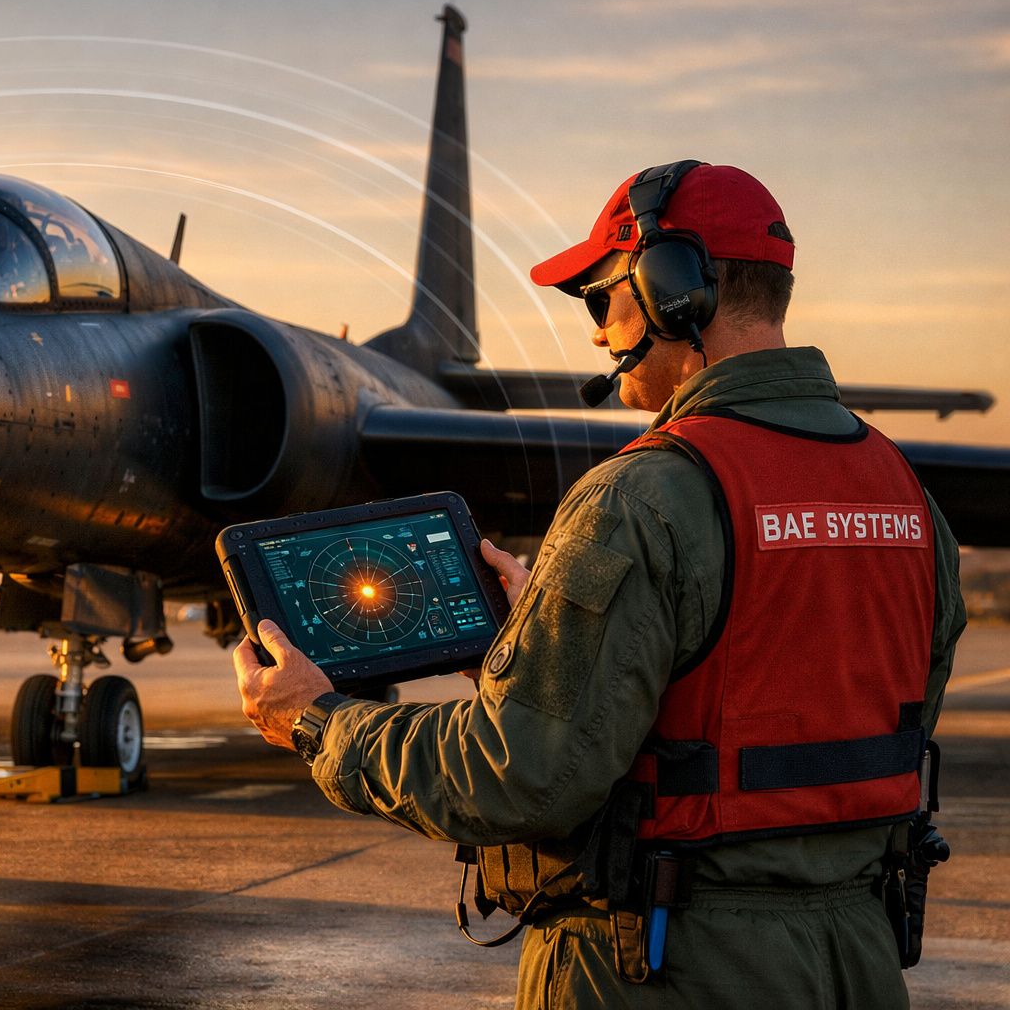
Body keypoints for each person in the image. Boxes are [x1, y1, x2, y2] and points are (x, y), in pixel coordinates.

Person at [234, 161, 965, 1008]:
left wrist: (320, 723)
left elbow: (518, 776)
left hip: (664, 968)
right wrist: (544, 651)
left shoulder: (642, 495)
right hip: (856, 963)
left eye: (600, 298)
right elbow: (828, 706)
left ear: (674, 291)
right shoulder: (903, 494)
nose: (594, 335)